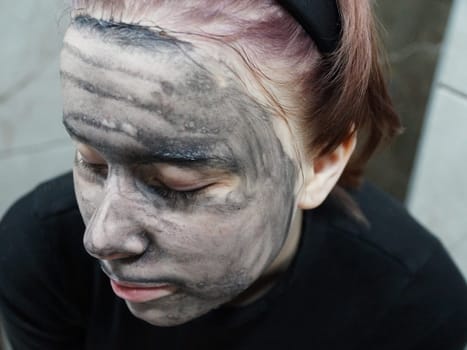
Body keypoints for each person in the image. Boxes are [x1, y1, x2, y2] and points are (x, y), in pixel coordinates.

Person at [0, 0, 466, 349]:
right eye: (92, 162)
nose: (100, 238)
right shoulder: (40, 250)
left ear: (320, 163)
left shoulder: (412, 307)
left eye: (176, 184)